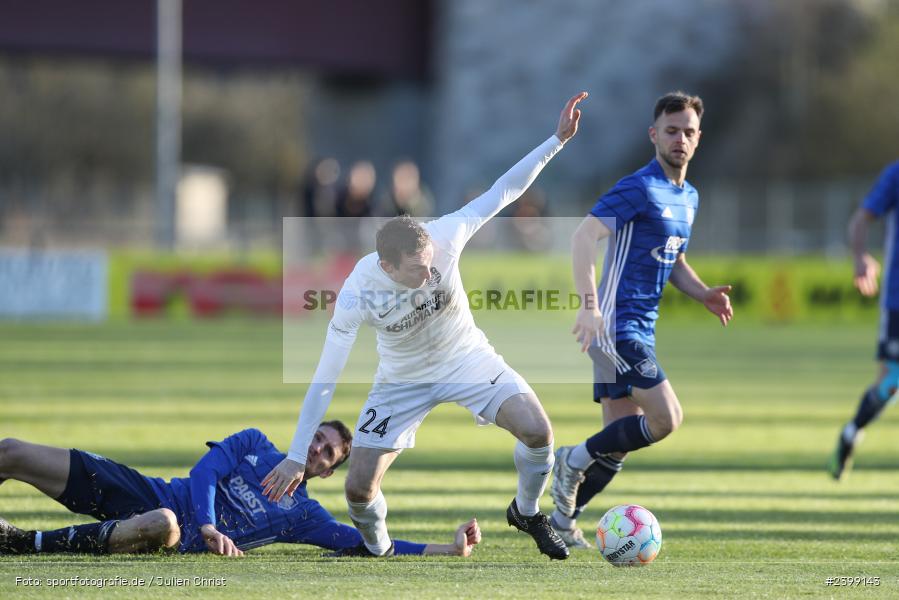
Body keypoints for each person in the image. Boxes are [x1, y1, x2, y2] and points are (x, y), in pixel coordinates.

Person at [262, 92, 590, 560]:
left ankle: (526, 511)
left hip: (466, 357)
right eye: (418, 270)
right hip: (402, 380)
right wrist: (297, 453)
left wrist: (556, 140)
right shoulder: (357, 291)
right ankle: (378, 550)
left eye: (432, 263)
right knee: (357, 490)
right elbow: (325, 376)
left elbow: (505, 189)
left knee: (540, 433)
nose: (431, 273)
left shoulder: (445, 235)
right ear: (388, 266)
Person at [549, 91, 733, 548]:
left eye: (688, 132)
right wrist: (589, 305)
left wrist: (702, 292)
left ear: (698, 138)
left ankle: (559, 520)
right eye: (671, 131)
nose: (680, 139)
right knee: (667, 417)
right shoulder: (639, 187)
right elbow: (583, 237)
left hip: (637, 329)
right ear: (654, 135)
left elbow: (675, 261)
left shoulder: (688, 196)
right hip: (612, 325)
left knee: (615, 448)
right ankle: (570, 458)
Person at [0, 423, 480, 557]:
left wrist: (448, 548)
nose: (317, 449)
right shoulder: (254, 443)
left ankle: (22, 542)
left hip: (167, 532)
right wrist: (210, 523)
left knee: (165, 523)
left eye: (328, 452)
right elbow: (206, 471)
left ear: (329, 472)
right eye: (317, 437)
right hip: (147, 491)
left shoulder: (302, 516)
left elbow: (368, 543)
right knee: (13, 450)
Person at [828, 160, 899, 480]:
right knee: (891, 383)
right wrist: (860, 258)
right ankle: (851, 433)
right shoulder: (896, 174)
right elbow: (860, 220)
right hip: (897, 301)